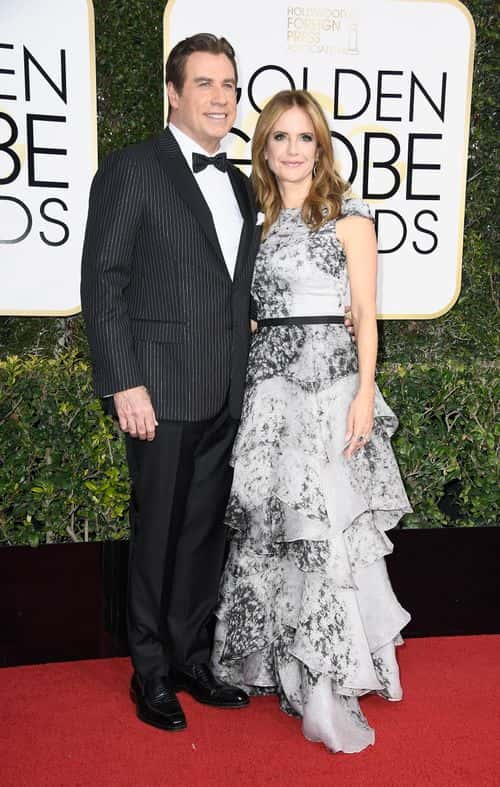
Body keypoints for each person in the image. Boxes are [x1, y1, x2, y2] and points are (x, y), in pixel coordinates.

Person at [211, 90, 412, 753]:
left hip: (329, 388)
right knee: (275, 529)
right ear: (263, 147)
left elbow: (365, 311)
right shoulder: (257, 220)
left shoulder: (349, 218)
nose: (293, 150)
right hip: (270, 390)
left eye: (305, 138)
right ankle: (274, 663)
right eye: (280, 138)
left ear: (321, 147)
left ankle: (327, 680)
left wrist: (365, 393)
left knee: (324, 529)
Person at [80, 34, 259, 731]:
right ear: (174, 93)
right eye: (207, 84)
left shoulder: (240, 181)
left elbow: (228, 286)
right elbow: (105, 283)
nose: (221, 98)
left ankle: (191, 657)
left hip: (222, 390)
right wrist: (124, 381)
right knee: (156, 533)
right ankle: (150, 670)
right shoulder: (132, 170)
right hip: (156, 391)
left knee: (201, 533)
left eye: (230, 86)